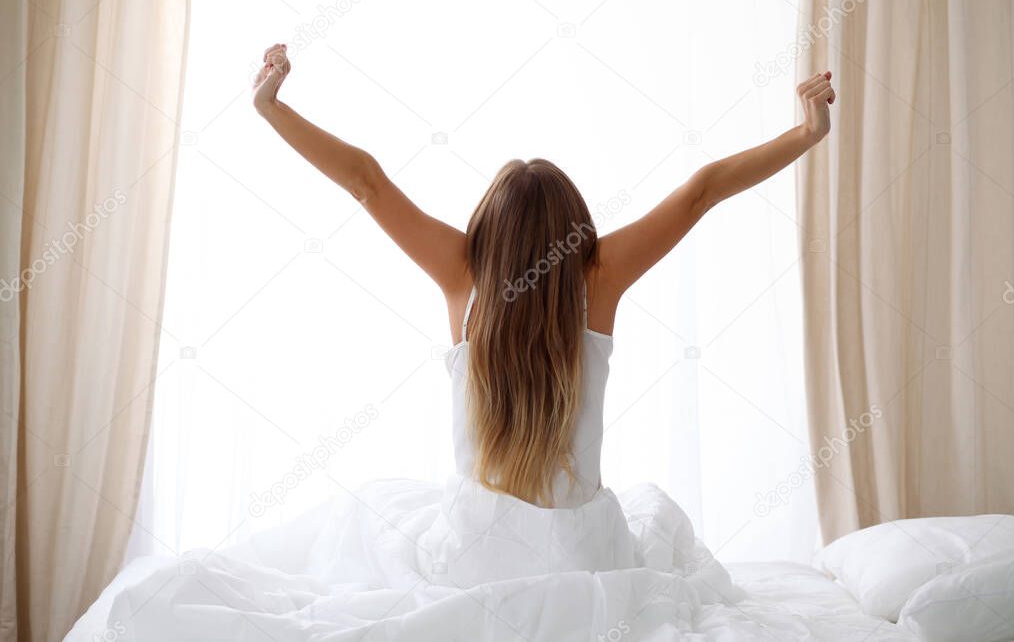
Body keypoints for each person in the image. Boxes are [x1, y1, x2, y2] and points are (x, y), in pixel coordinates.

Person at [104, 44, 836, 641]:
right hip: (587, 559)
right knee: (650, 515)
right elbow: (703, 189)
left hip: (474, 558)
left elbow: (365, 180)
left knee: (362, 522)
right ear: (574, 234)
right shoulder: (599, 277)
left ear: (489, 230)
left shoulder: (462, 276)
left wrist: (271, 108)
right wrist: (804, 133)